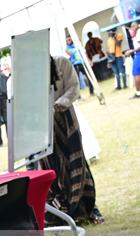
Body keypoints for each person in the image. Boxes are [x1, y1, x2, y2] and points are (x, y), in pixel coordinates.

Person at [38, 55, 105, 225]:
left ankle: (88, 208)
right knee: (51, 168)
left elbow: (73, 87)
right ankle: (61, 213)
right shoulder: (24, 71)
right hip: (41, 125)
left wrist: (58, 105)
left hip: (65, 119)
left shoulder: (61, 62)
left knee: (76, 163)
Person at [123, 21, 140, 99]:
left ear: (139, 25)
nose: (132, 28)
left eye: (133, 26)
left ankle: (138, 93)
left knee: (136, 73)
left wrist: (131, 51)